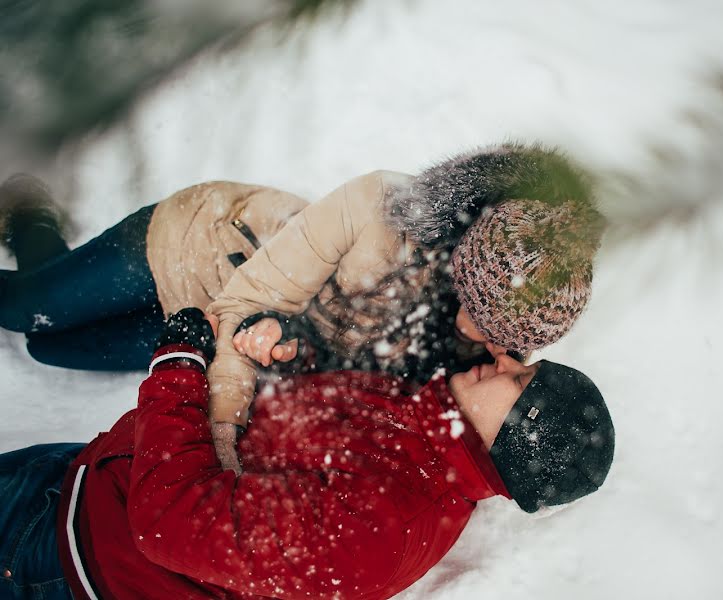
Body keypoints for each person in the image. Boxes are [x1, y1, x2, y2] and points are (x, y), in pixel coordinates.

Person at [0, 143, 604, 471]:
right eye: (477, 310)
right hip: (203, 250)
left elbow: (342, 389)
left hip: (202, 332)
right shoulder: (383, 206)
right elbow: (246, 300)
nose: (482, 338)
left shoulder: (486, 354)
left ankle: (37, 233)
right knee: (24, 310)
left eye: (504, 338)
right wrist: (219, 446)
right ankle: (31, 211)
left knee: (50, 347)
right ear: (463, 263)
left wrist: (287, 348)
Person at [0, 308, 614, 600]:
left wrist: (177, 368)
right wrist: (294, 351)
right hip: (90, 471)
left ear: (521, 435)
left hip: (67, 554)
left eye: (520, 379)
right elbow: (313, 437)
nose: (504, 359)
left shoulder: (382, 523)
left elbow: (170, 523)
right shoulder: (432, 432)